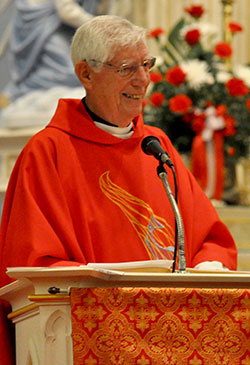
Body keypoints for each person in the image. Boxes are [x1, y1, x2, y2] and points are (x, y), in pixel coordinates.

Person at [0, 15, 237, 364]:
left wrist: (208, 269)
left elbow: (210, 240)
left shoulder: (158, 146)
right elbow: (31, 266)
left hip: (170, 338)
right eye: (127, 68)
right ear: (86, 74)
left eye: (146, 65)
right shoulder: (47, 152)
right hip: (86, 337)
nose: (143, 80)